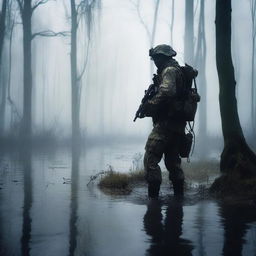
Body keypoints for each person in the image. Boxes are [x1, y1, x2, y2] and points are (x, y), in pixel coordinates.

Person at [142, 44, 186, 199]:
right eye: (154, 58)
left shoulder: (169, 71)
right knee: (173, 161)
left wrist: (150, 105)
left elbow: (167, 92)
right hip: (176, 125)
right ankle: (179, 200)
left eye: (157, 58)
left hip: (166, 124)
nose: (155, 61)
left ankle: (153, 201)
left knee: (150, 158)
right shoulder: (176, 71)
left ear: (164, 57)